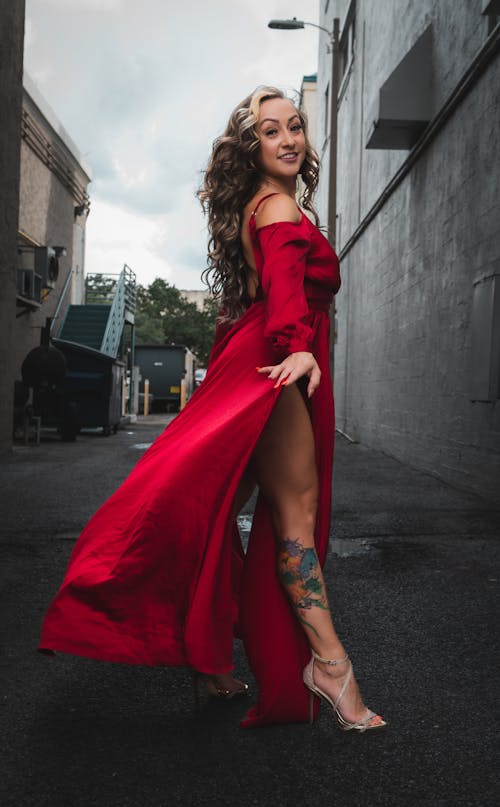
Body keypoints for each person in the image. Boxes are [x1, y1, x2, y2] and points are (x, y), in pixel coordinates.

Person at [39, 86, 385, 733]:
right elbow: (284, 285)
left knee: (217, 503)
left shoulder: (257, 203)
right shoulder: (279, 204)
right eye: (269, 131)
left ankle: (209, 656)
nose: (287, 139)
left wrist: (276, 348)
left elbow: (249, 299)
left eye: (295, 127)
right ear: (250, 148)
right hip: (279, 365)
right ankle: (331, 665)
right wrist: (297, 349)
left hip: (252, 360)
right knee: (295, 520)